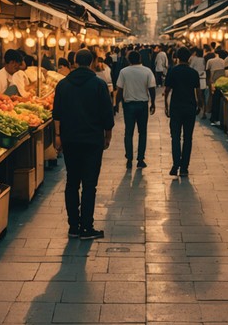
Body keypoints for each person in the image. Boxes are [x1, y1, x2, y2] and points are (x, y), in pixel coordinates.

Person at [53, 49, 114, 239]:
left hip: (70, 139)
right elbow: (107, 113)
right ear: (92, 62)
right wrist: (107, 135)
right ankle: (87, 226)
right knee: (89, 184)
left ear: (75, 62)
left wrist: (57, 136)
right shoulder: (99, 84)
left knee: (72, 182)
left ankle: (73, 227)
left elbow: (57, 113)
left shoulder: (63, 85)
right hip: (92, 140)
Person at [164, 46, 203, 177]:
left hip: (176, 107)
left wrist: (166, 106)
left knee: (175, 137)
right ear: (189, 58)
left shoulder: (173, 71)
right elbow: (198, 91)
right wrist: (200, 105)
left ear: (177, 57)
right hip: (190, 107)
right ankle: (184, 168)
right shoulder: (193, 73)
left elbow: (167, 90)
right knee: (188, 138)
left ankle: (176, 164)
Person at [115, 50, 156, 169]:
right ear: (140, 59)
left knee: (128, 132)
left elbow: (120, 90)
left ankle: (129, 158)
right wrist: (153, 102)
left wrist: (116, 104)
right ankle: (140, 159)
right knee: (142, 133)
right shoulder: (147, 71)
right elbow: (152, 88)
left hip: (129, 106)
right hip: (143, 105)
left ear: (129, 60)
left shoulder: (124, 72)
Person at [206, 48, 227, 124]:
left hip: (212, 82)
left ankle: (212, 116)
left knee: (213, 99)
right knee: (217, 101)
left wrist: (208, 82)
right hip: (222, 83)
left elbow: (207, 72)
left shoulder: (210, 61)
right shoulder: (224, 62)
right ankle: (215, 117)